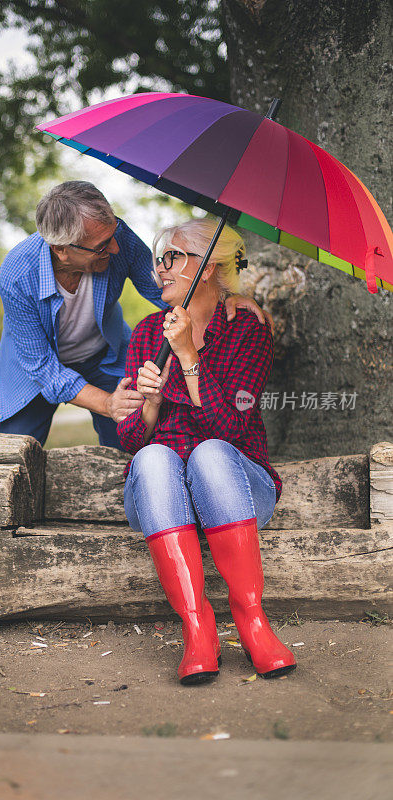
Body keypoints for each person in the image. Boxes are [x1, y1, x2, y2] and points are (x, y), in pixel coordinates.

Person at [117, 217, 296, 685]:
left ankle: (253, 623)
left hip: (236, 489)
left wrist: (188, 359)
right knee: (154, 457)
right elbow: (133, 442)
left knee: (211, 452)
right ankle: (198, 629)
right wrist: (150, 405)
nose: (160, 268)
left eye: (173, 256)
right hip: (164, 503)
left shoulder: (246, 329)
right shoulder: (146, 332)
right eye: (159, 258)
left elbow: (232, 429)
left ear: (210, 266)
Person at [0, 181, 273, 448]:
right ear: (61, 249)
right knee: (13, 456)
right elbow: (44, 369)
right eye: (100, 247)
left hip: (106, 357)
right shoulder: (17, 275)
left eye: (113, 235)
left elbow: (167, 289)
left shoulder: (117, 238)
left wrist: (227, 296)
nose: (114, 249)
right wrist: (106, 403)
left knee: (129, 443)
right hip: (36, 369)